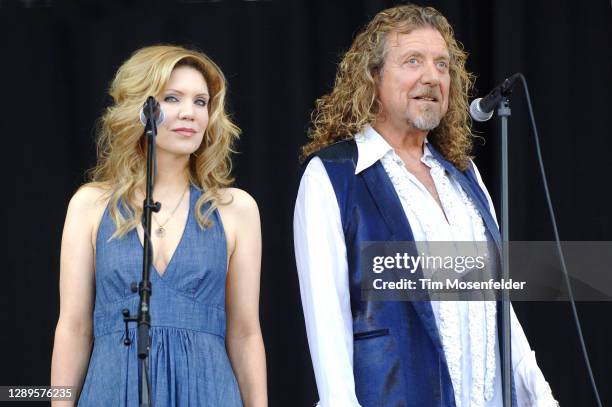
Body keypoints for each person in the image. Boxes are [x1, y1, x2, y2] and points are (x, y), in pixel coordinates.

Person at [294, 5, 557, 407]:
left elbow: (497, 307)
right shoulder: (332, 176)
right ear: (373, 76)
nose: (432, 77)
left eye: (442, 65)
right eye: (412, 61)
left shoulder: (464, 177)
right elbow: (327, 326)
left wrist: (540, 397)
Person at [51, 45, 267, 407]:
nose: (190, 113)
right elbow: (73, 328)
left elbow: (245, 334)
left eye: (201, 101)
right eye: (172, 98)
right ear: (140, 108)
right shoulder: (90, 205)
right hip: (113, 390)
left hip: (208, 391)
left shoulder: (236, 209)